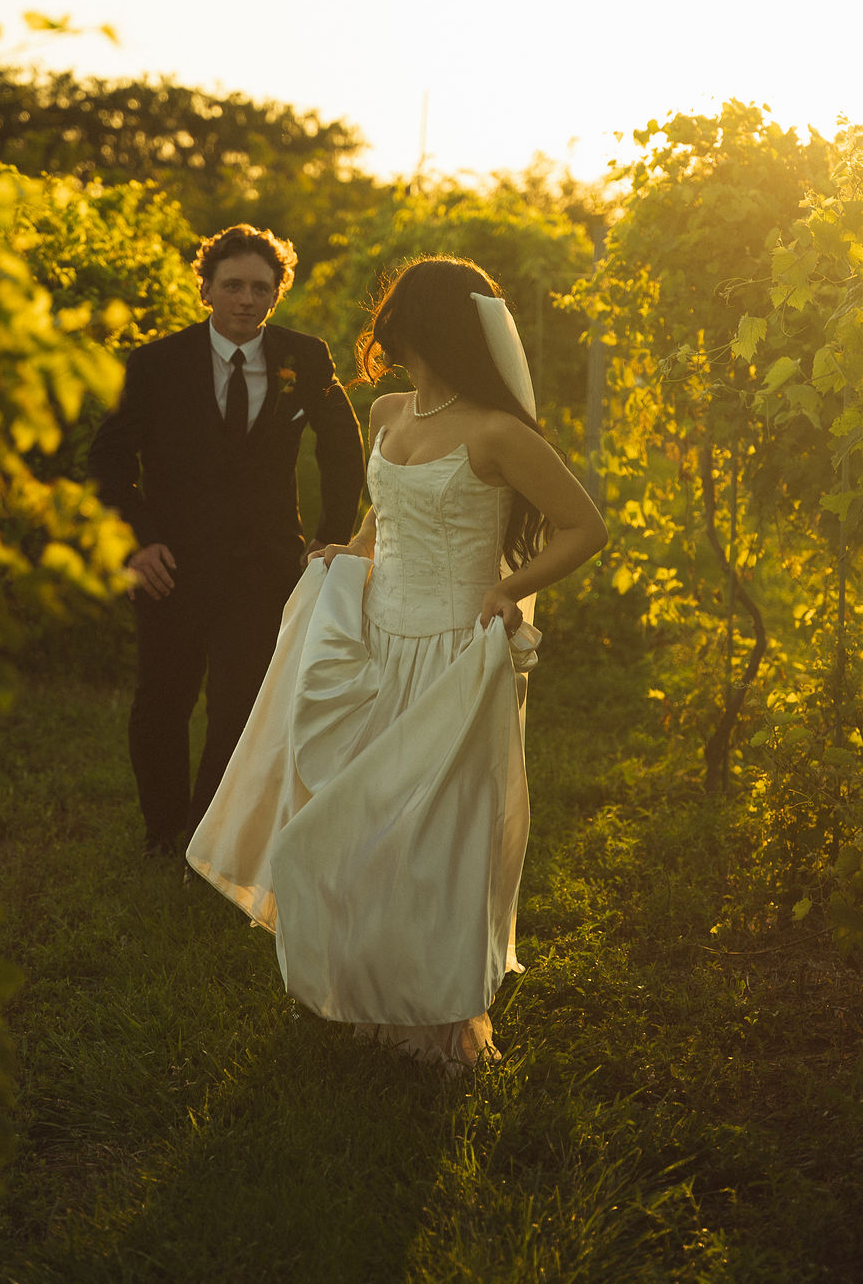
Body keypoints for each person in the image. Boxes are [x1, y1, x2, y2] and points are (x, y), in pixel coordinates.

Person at [187, 256, 608, 1069]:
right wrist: (348, 553)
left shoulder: (497, 432)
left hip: (454, 647)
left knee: (436, 836)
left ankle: (441, 1020)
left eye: (397, 319)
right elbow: (390, 511)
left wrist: (509, 590)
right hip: (377, 637)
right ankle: (369, 992)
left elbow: (585, 529)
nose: (385, 333)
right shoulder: (388, 411)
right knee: (354, 820)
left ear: (422, 326)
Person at [88, 224, 365, 860]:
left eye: (260, 288)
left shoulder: (306, 356)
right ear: (207, 289)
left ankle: (205, 840)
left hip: (264, 567)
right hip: (171, 565)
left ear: (276, 295)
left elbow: (343, 450)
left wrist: (330, 538)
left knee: (239, 705)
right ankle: (162, 834)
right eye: (233, 285)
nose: (246, 298)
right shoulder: (157, 363)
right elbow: (108, 460)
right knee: (163, 700)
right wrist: (139, 542)